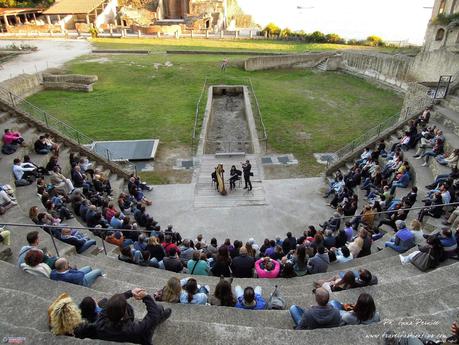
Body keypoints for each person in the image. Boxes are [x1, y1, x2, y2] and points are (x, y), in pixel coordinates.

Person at [75, 288, 172, 345]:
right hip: (140, 339)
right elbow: (153, 316)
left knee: (157, 311)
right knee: (158, 308)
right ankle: (162, 316)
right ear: (124, 313)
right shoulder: (134, 329)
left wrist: (130, 293)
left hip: (113, 335)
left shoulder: (100, 321)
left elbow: (109, 303)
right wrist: (146, 297)